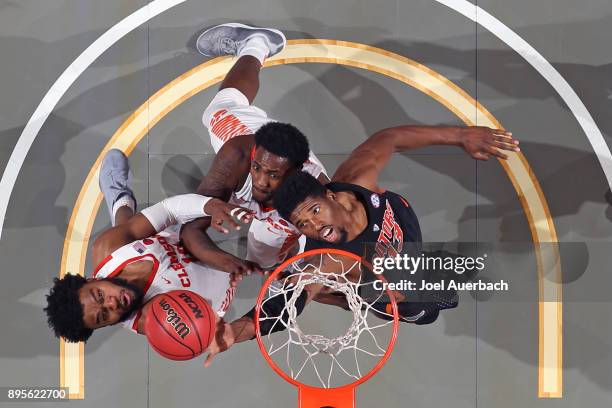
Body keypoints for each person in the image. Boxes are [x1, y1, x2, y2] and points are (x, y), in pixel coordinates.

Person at [202, 123, 519, 365]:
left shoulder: (356, 179)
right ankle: (348, 295)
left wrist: (460, 136)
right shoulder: (326, 258)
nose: (316, 227)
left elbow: (390, 138)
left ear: (331, 195)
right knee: (428, 306)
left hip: (406, 237)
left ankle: (435, 269)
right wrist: (236, 331)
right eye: (303, 225)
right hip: (390, 290)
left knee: (436, 264)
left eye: (314, 211)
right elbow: (284, 307)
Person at [44, 149, 253, 342]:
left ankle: (119, 198)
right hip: (226, 280)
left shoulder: (107, 248)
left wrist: (211, 206)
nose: (111, 303)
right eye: (103, 315)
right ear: (105, 326)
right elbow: (227, 335)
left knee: (128, 230)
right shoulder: (160, 324)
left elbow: (169, 211)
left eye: (99, 294)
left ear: (92, 279)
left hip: (181, 239)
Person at [180, 23, 328, 278]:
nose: (260, 180)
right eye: (257, 168)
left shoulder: (317, 195)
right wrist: (227, 260)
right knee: (217, 113)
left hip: (284, 218)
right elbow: (191, 229)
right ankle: (258, 43)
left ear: (294, 171)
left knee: (264, 259)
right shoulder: (237, 155)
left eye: (272, 174)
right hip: (247, 176)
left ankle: (283, 256)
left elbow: (334, 241)